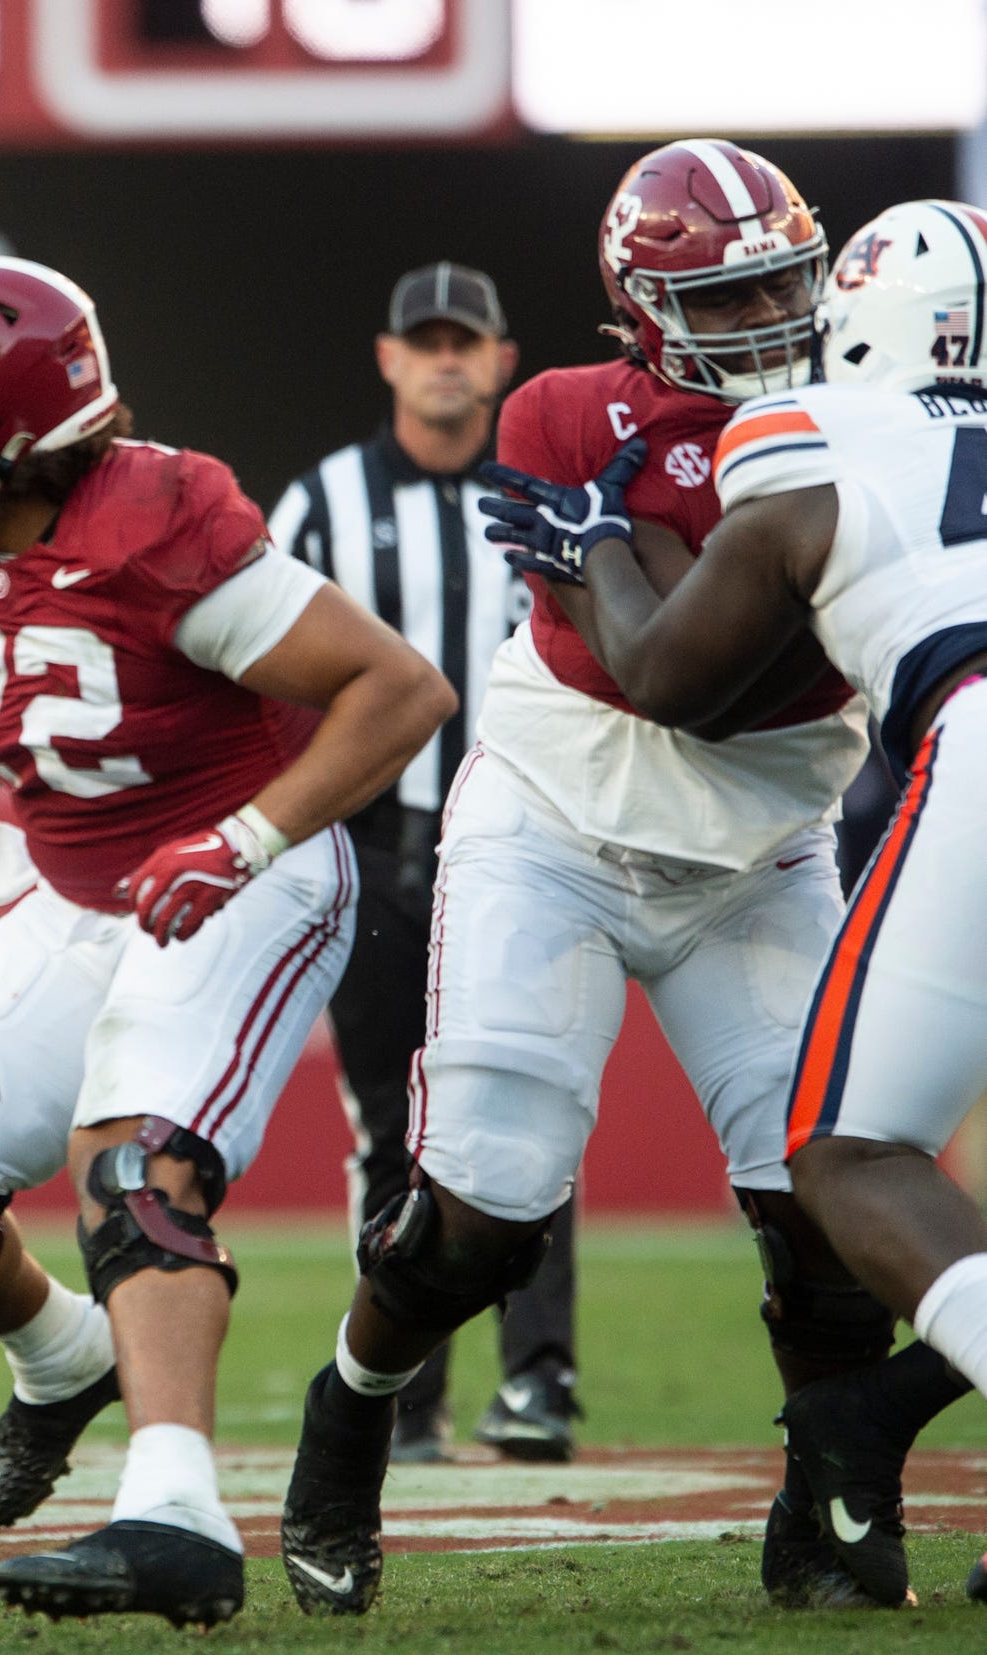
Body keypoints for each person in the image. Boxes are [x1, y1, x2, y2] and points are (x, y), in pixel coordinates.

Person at [278, 142, 969, 1620]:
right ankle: (349, 1412)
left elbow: (705, 633)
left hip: (763, 850)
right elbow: (673, 679)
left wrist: (630, 564)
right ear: (642, 310)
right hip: (557, 827)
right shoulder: (567, 412)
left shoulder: (856, 421)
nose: (775, 312)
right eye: (731, 292)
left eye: (789, 279)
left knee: (822, 1196)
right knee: (484, 1206)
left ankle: (836, 1496)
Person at [0, 255, 454, 1627]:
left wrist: (244, 837)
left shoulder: (158, 525)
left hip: (239, 871)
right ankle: (64, 1356)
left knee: (131, 1165)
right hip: (78, 892)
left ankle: (177, 1512)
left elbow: (398, 687)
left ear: (2, 428)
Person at [481, 196, 987, 1607]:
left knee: (847, 1157)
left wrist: (590, 551)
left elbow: (668, 678)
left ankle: (863, 1422)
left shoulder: (804, 431)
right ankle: (870, 1423)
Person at [272, 262, 579, 1463]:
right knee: (393, 1125)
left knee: (531, 1104)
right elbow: (268, 672)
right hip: (381, 841)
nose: (447, 358)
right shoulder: (322, 503)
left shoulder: (545, 496)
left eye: (469, 340)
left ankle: (539, 1377)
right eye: (427, 340)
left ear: (502, 359)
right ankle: (399, 1385)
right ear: (390, 358)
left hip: (530, 836)